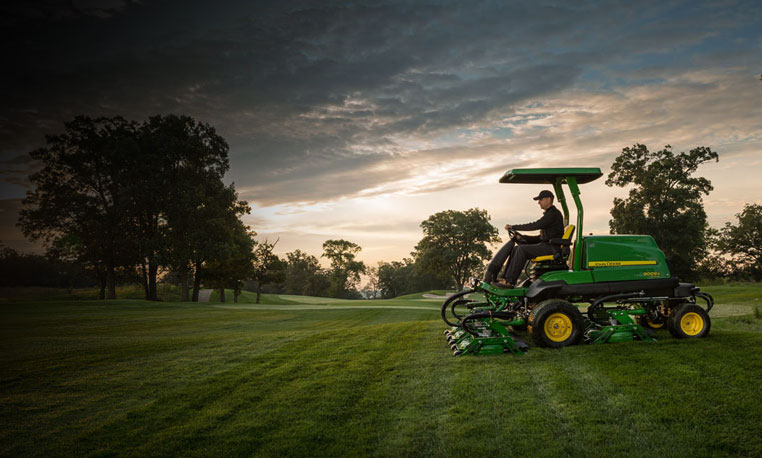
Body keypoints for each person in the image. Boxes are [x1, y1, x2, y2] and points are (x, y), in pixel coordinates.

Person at [490, 189, 564, 288]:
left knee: (522, 249)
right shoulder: (550, 215)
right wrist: (523, 238)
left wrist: (514, 227)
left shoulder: (553, 214)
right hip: (546, 245)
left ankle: (510, 281)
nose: (538, 202)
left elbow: (535, 225)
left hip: (552, 248)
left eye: (540, 199)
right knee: (517, 248)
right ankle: (505, 279)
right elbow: (540, 238)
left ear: (549, 199)